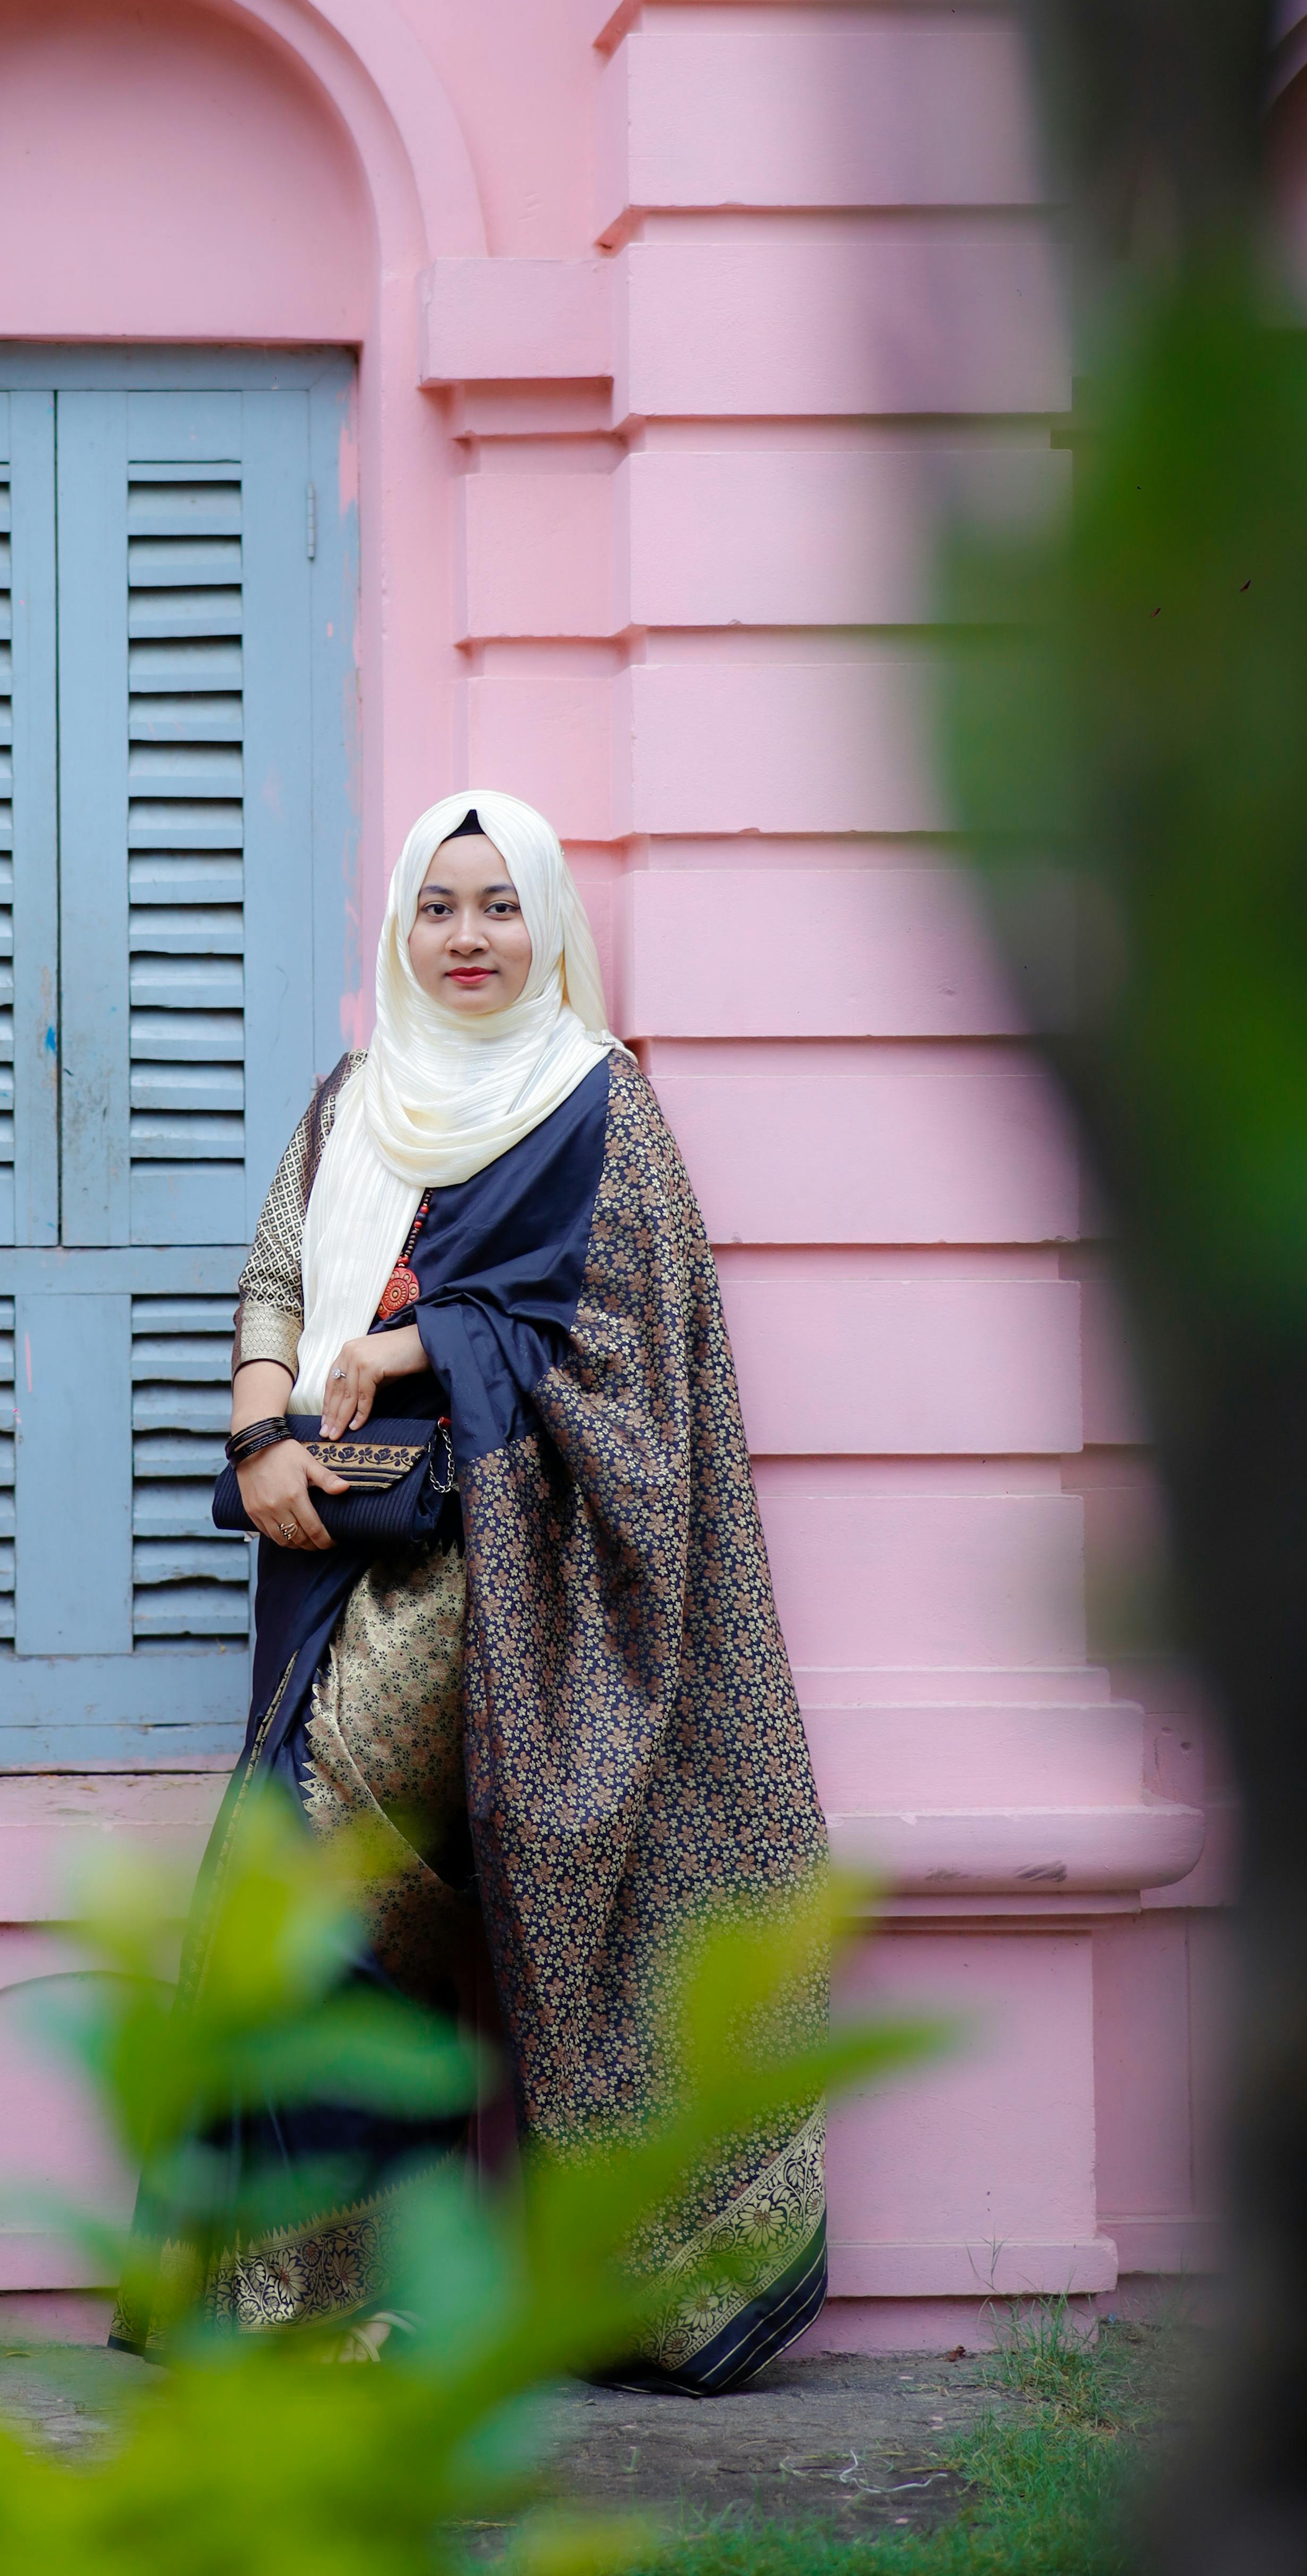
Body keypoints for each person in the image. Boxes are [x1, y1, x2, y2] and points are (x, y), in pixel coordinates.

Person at [113, 789, 829, 2391]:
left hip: (502, 1571)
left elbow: (633, 1338)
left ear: (549, 922)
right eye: (438, 907)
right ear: (399, 930)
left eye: (500, 905)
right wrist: (256, 1437)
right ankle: (349, 2297)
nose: (469, 938)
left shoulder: (598, 1108)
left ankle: (368, 2301)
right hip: (324, 1551)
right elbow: (276, 1273)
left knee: (326, 1885)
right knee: (339, 1905)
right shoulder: (353, 1100)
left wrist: (416, 1344)